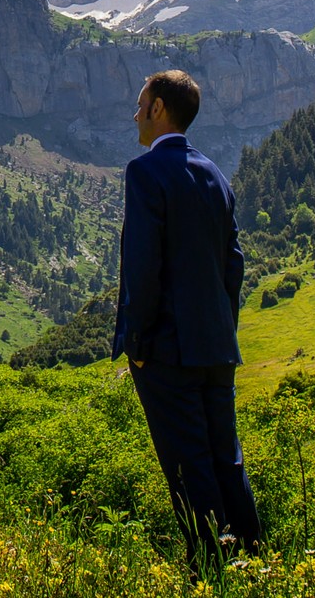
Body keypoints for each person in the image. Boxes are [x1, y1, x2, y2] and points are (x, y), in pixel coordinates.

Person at [112, 68, 262, 570]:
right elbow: (233, 263)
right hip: (218, 347)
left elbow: (142, 267)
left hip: (167, 351)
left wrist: (137, 340)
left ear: (158, 110)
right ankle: (256, 560)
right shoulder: (215, 174)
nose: (135, 114)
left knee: (185, 465)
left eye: (140, 103)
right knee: (227, 456)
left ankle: (212, 570)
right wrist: (223, 326)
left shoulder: (145, 172)